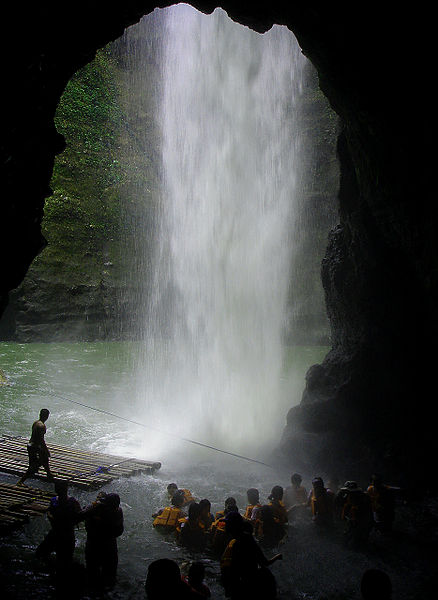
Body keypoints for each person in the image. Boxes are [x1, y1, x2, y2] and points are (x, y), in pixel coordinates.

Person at [220, 511, 282, 599]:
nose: (225, 526)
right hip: (252, 583)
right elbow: (264, 562)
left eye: (227, 524)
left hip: (247, 586)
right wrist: (277, 557)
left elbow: (236, 571)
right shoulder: (247, 538)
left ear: (233, 526)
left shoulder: (238, 543)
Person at [78, 491, 124, 588]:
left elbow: (79, 516)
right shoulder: (118, 511)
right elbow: (119, 531)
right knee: (110, 574)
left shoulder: (95, 509)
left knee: (92, 572)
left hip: (94, 544)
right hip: (110, 545)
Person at [35, 479, 81, 570]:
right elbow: (79, 517)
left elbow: (78, 516)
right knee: (42, 554)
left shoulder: (71, 502)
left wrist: (54, 518)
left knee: (63, 560)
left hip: (63, 533)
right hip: (59, 533)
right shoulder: (56, 501)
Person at [17, 408, 54, 485]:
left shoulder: (36, 423)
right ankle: (21, 481)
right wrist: (46, 450)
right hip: (35, 447)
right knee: (35, 465)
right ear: (47, 416)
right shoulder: (42, 426)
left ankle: (49, 474)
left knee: (44, 459)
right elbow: (41, 440)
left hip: (30, 445)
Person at [336, 481, 373, 547]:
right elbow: (338, 502)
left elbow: (367, 516)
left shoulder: (363, 498)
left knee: (355, 542)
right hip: (352, 522)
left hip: (361, 523)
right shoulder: (349, 497)